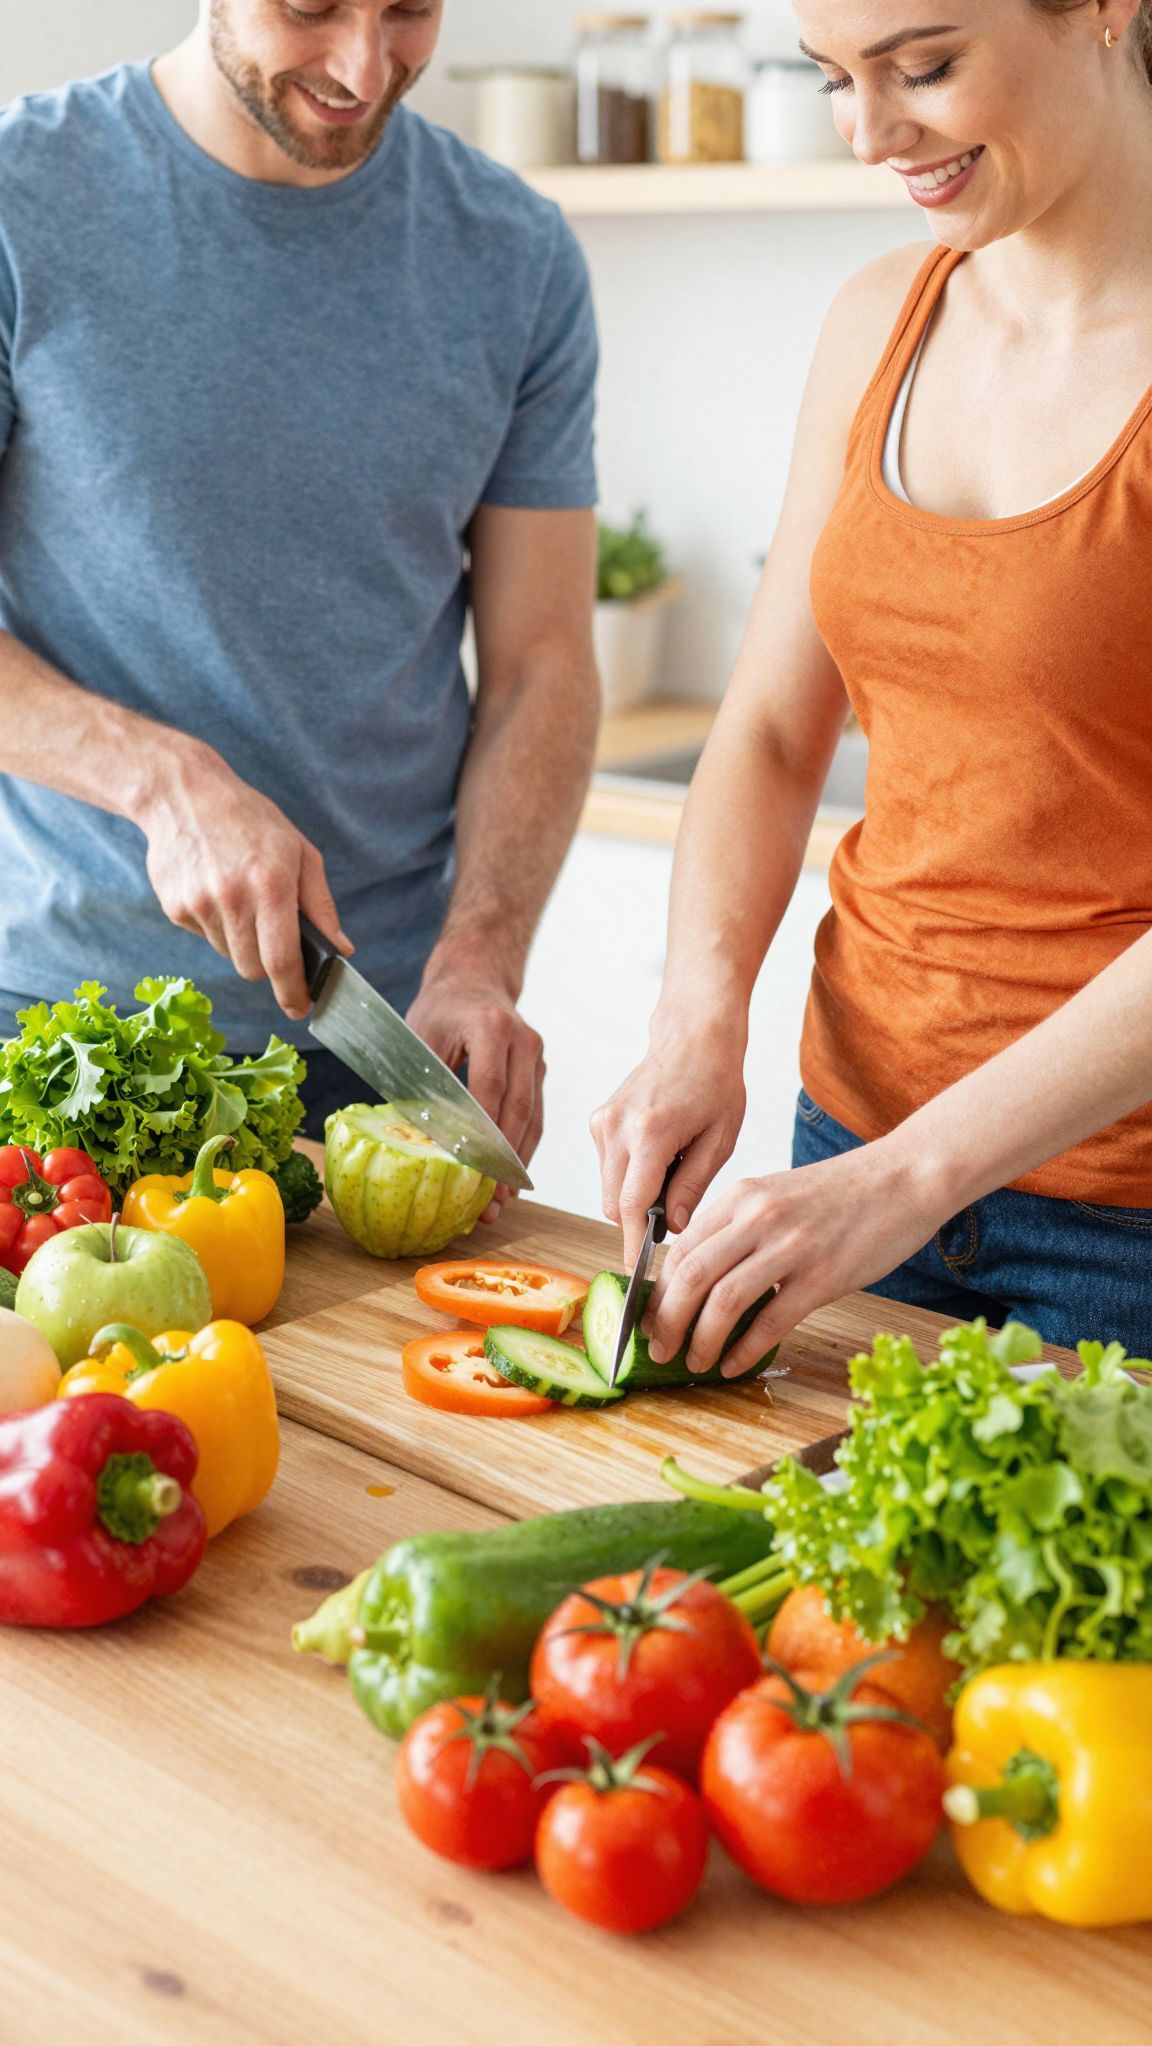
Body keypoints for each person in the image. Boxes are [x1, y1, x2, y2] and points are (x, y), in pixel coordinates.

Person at [593, 0, 1152, 1366]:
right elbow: (776, 731)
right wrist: (697, 1019)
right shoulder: (877, 320)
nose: (869, 132)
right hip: (844, 1156)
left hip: (1118, 1231)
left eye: (925, 67)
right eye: (835, 79)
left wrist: (907, 1179)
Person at [0, 0, 600, 1214]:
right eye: (312, 7)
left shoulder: (516, 256)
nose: (365, 66)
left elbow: (542, 664)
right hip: (52, 1048)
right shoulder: (23, 198)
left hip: (374, 1060)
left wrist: (481, 953)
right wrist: (167, 784)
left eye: (410, 12)